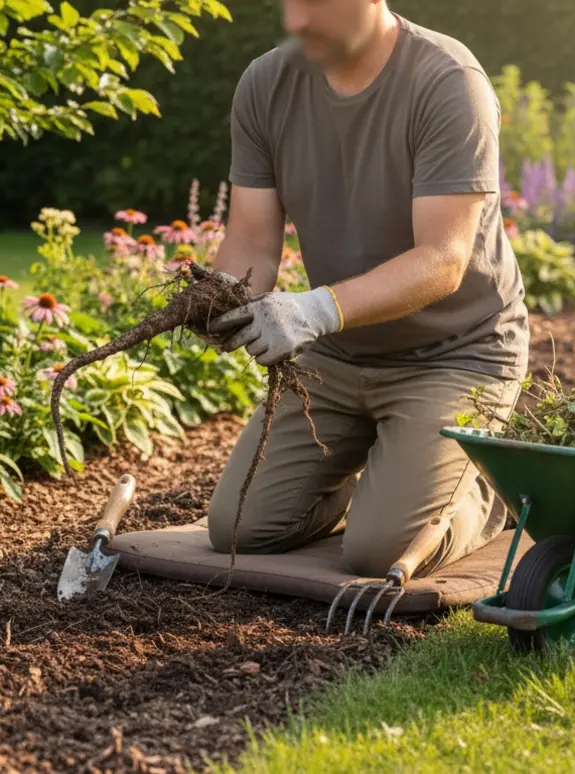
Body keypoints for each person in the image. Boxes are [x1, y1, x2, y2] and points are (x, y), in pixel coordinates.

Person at [197, 0, 529, 580]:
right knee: (241, 527)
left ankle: (487, 488)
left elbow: (442, 260)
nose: (297, 20)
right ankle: (395, 473)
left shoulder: (448, 81)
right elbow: (251, 239)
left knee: (378, 551)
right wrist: (219, 297)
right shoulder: (267, 83)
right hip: (340, 353)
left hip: (457, 355)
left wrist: (315, 309)